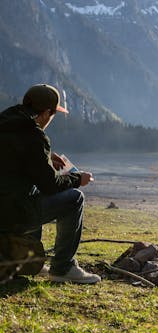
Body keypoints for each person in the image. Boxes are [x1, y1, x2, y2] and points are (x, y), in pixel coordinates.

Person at [0, 84, 100, 284]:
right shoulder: (33, 134)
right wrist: (77, 179)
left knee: (30, 192)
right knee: (74, 199)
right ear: (46, 113)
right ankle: (63, 268)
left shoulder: (6, 122)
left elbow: (16, 162)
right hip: (11, 213)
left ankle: (30, 260)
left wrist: (44, 158)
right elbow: (51, 186)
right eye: (53, 114)